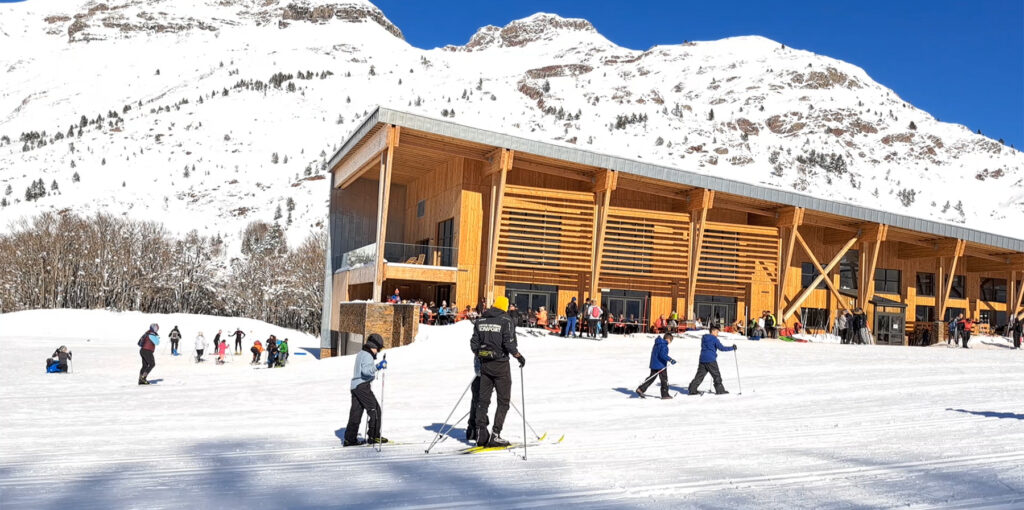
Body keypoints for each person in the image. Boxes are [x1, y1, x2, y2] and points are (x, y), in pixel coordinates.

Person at [470, 296, 525, 447]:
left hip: (485, 364)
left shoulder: (481, 320)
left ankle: (481, 432)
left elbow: (474, 342)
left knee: (483, 400)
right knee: (503, 401)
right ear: (504, 307)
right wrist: (518, 356)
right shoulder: (506, 320)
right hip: (501, 365)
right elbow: (509, 343)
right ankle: (495, 434)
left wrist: (480, 354)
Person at [343, 334, 389, 446]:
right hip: (362, 386)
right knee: (375, 410)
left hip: (355, 386)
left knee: (356, 413)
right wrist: (378, 366)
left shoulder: (361, 354)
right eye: (378, 349)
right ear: (374, 346)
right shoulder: (368, 355)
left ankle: (350, 438)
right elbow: (366, 371)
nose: (377, 352)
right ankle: (374, 436)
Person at [686, 326, 736, 395]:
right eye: (717, 332)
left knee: (699, 375)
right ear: (712, 331)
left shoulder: (704, 338)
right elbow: (722, 348)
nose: (717, 334)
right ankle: (720, 390)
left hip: (702, 359)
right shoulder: (714, 339)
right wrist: (732, 348)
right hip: (711, 359)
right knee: (716, 375)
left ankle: (692, 389)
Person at [635, 333, 676, 399]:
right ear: (668, 339)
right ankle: (665, 394)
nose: (670, 343)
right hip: (661, 365)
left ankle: (641, 389)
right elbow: (662, 355)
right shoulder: (664, 345)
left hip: (654, 364)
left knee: (651, 378)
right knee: (664, 380)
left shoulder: (657, 343)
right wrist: (670, 360)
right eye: (671, 341)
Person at [467, 357, 482, 442]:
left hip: (483, 373)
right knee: (480, 402)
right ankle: (478, 430)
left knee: (477, 401)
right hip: (483, 373)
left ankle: (473, 429)